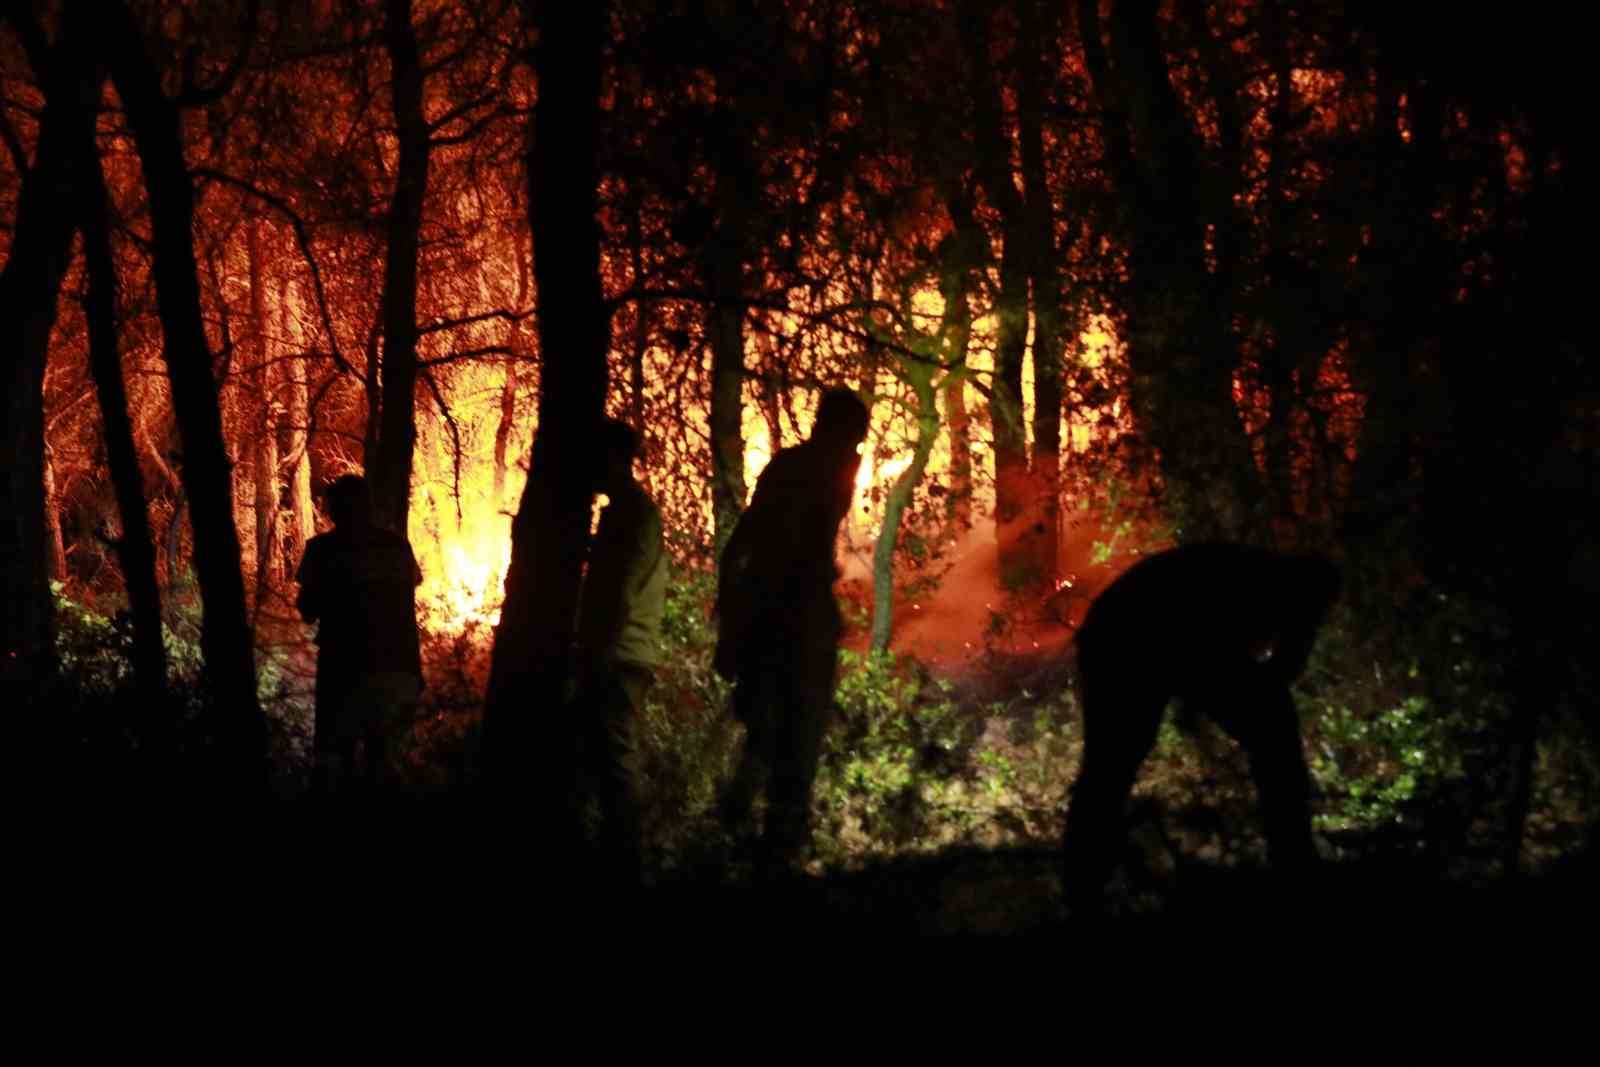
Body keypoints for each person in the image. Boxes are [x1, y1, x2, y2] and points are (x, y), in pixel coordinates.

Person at [715, 387, 870, 875]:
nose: (858, 451)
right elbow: (758, 544)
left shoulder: (803, 470)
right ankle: (770, 852)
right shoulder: (818, 473)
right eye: (854, 440)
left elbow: (743, 544)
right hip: (790, 623)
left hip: (782, 621)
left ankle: (747, 836)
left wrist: (732, 623)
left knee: (770, 737)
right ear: (837, 432)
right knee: (791, 741)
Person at [569, 420, 666, 883]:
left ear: (614, 460)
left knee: (616, 756)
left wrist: (597, 655)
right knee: (600, 756)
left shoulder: (634, 515)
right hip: (618, 652)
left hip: (620, 655)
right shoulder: (620, 513)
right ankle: (612, 857)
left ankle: (628, 864)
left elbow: (622, 589)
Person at [294, 474, 423, 794]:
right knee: (383, 757)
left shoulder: (321, 550)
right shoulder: (396, 547)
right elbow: (408, 604)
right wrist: (413, 669)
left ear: (333, 510)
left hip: (341, 667)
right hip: (392, 663)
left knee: (340, 758)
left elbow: (308, 611)